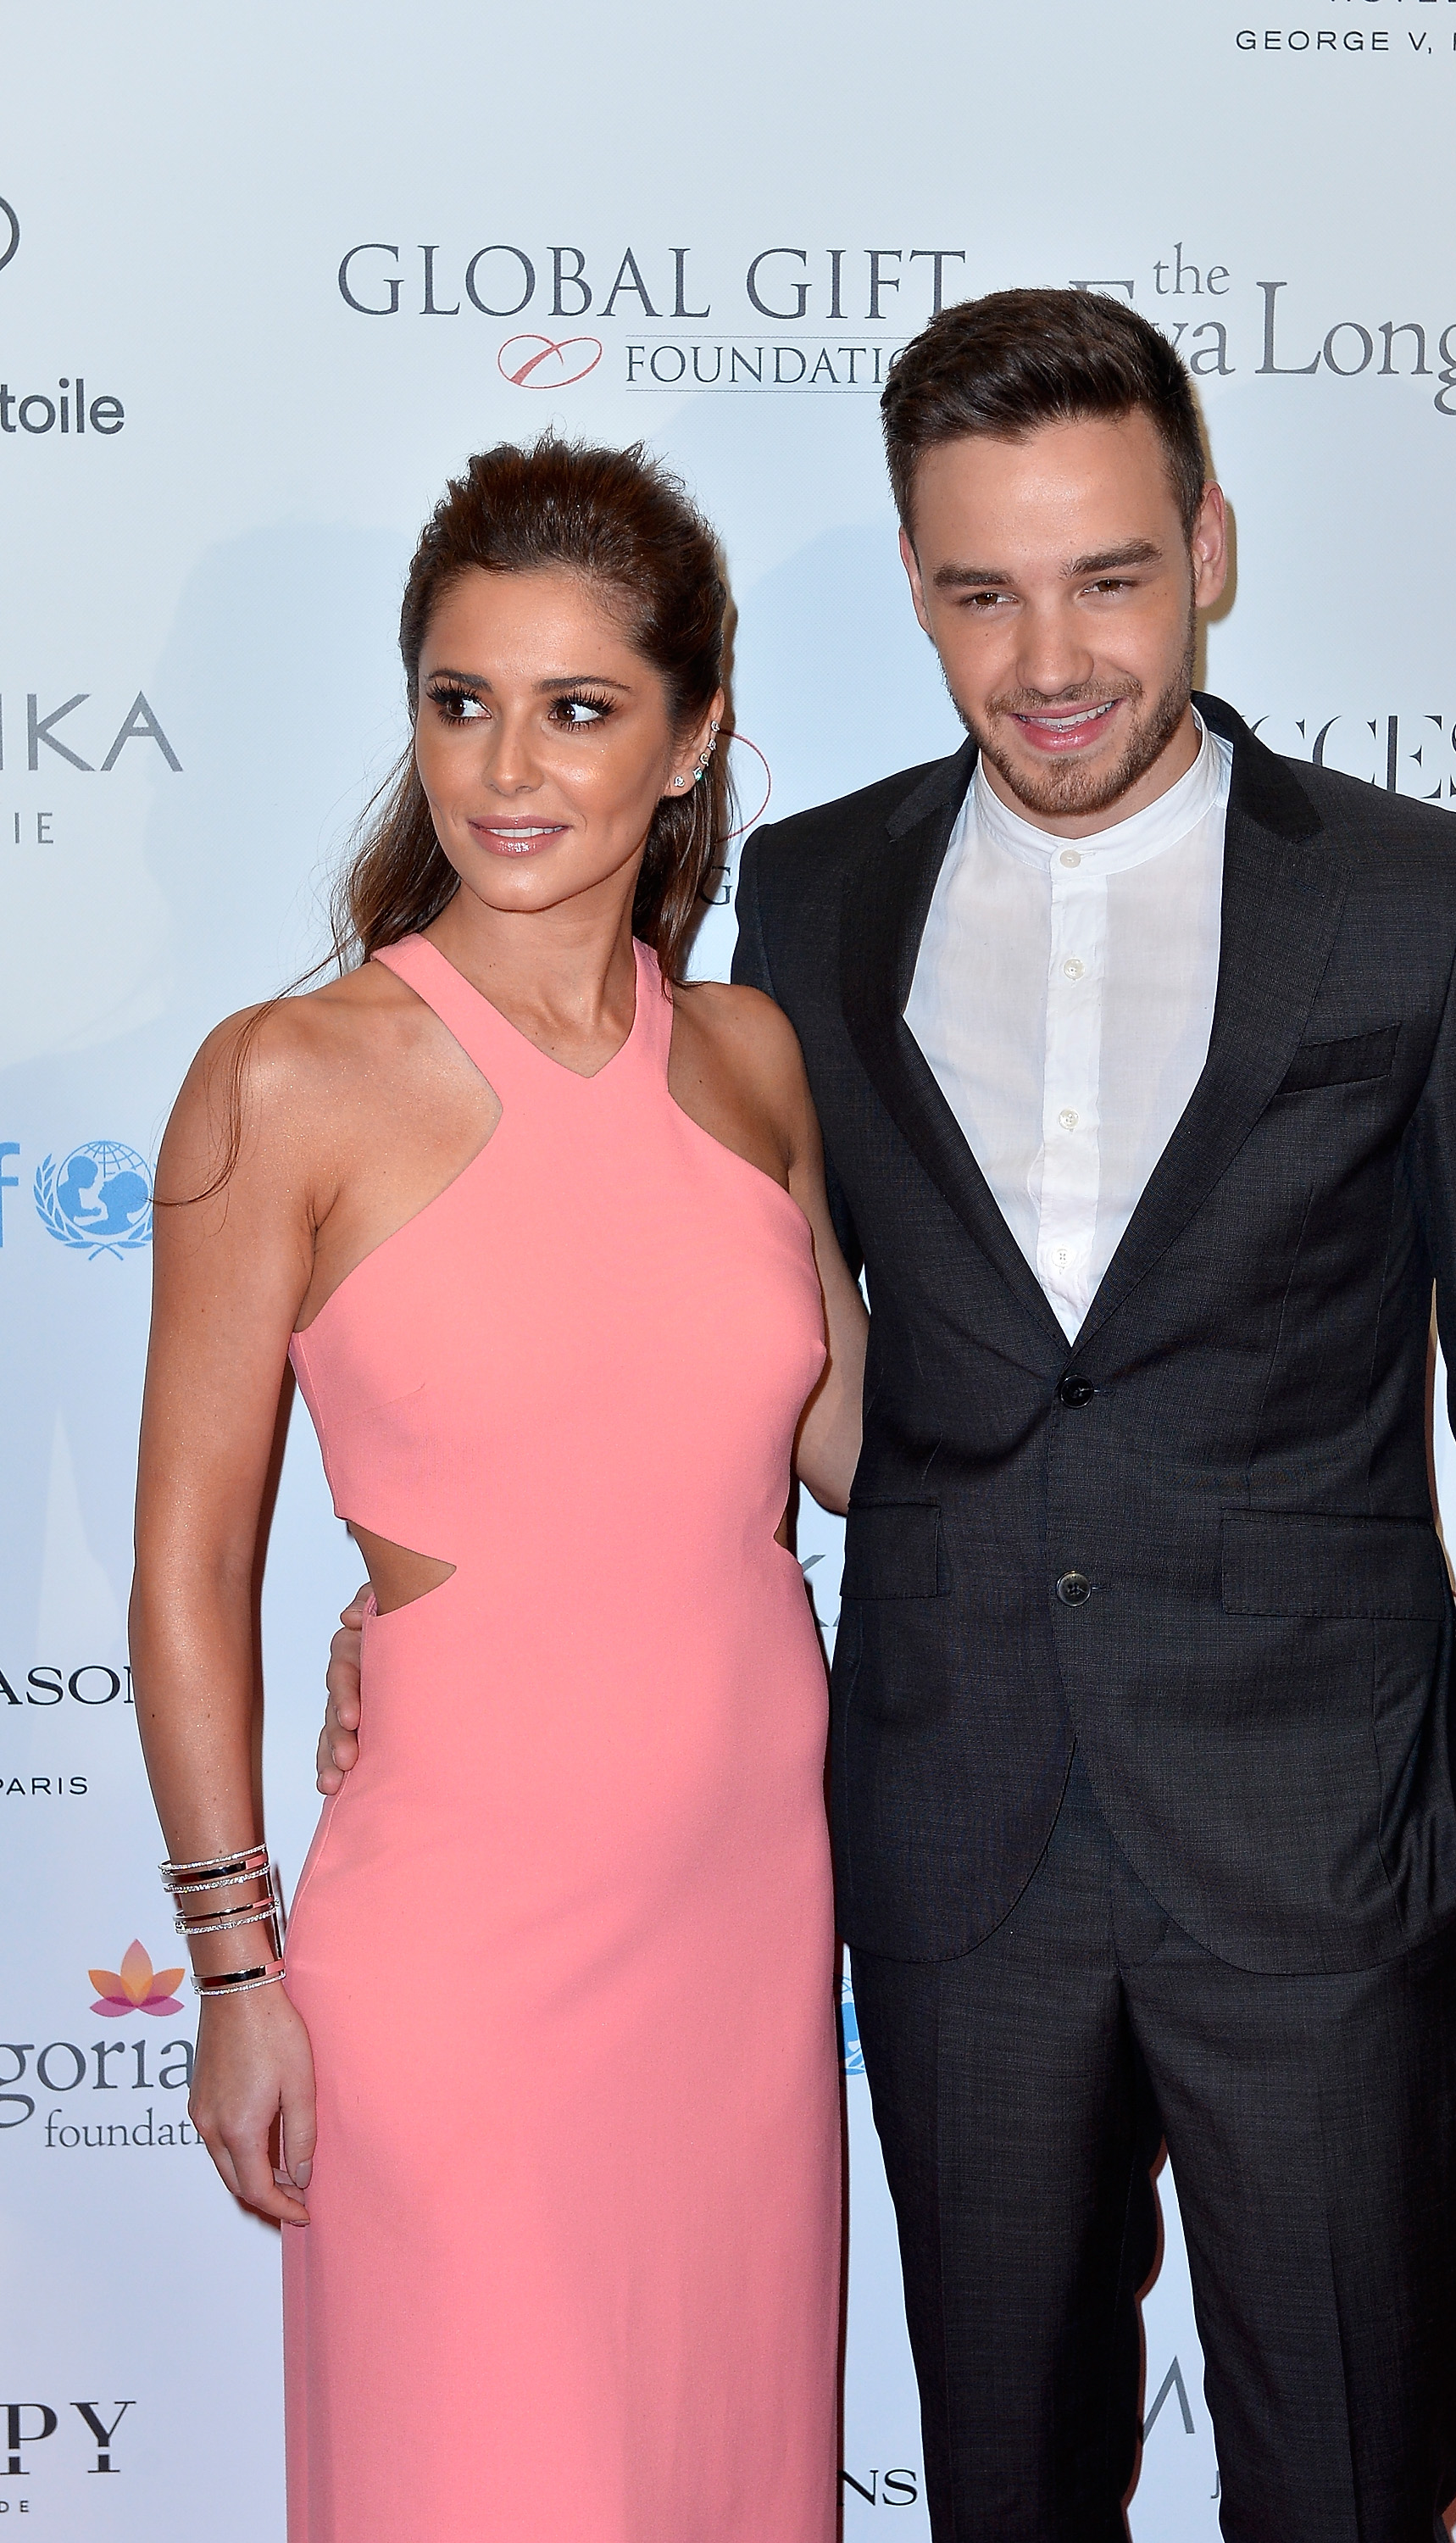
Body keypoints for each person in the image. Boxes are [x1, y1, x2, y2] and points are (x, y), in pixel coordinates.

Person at [320, 292, 1456, 2543]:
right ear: (917, 585)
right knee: (1003, 2489)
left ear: (1206, 545)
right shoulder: (810, 903)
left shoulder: (1421, 912)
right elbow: (709, 1309)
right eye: (978, 588)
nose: (1048, 650)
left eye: (1105, 574)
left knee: (1344, 2473)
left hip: (1322, 1869)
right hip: (941, 1859)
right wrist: (464, 1589)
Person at [131, 436, 867, 2543]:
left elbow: (859, 1443)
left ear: (692, 731)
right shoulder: (289, 1080)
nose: (506, 767)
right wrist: (234, 1971)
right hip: (459, 1955)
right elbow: (188, 1570)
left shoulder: (745, 1055)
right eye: (461, 701)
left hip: (738, 1946)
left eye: (578, 707)